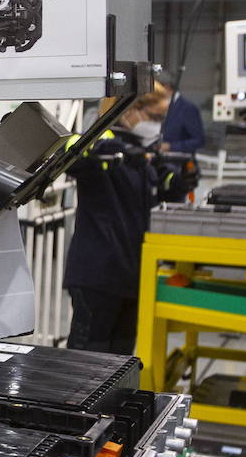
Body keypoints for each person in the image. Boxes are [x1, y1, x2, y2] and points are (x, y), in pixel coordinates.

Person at [64, 91, 190, 353]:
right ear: (127, 112)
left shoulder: (144, 156)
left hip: (133, 278)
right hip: (98, 277)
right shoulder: (101, 143)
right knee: (86, 365)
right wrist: (110, 151)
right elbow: (70, 150)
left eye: (162, 119)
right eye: (154, 117)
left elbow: (159, 196)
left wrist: (178, 180)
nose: (157, 125)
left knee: (120, 364)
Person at [155, 69, 205, 154]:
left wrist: (171, 146)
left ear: (166, 87)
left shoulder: (187, 108)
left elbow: (199, 140)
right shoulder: (157, 106)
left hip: (178, 161)